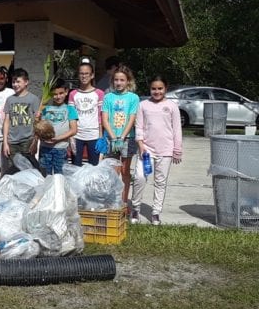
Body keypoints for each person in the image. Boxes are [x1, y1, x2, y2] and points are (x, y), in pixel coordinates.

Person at [132, 76, 183, 225]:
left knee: (160, 182)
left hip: (165, 150)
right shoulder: (143, 105)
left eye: (160, 88)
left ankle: (156, 212)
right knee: (140, 178)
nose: (157, 91)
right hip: (146, 150)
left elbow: (177, 130)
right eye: (154, 88)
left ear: (165, 88)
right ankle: (135, 208)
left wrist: (177, 150)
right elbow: (139, 126)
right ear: (150, 89)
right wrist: (141, 145)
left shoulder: (172, 106)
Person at [102, 65, 140, 208]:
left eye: (122, 80)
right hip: (111, 138)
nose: (119, 83)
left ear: (128, 81)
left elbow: (132, 118)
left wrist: (122, 137)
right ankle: (113, 202)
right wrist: (113, 137)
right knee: (113, 171)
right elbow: (105, 119)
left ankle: (124, 202)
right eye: (116, 80)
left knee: (125, 170)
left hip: (127, 138)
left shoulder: (133, 98)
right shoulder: (108, 97)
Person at [3, 68, 41, 172]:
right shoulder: (10, 99)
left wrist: (35, 141)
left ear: (26, 82)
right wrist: (5, 143)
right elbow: (7, 121)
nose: (15, 84)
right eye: (13, 81)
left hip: (28, 140)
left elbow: (38, 123)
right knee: (13, 169)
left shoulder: (33, 99)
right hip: (12, 141)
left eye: (18, 81)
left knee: (28, 168)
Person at [38, 80, 78, 175]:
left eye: (61, 93)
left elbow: (73, 130)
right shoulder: (45, 109)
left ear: (66, 92)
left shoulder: (70, 109)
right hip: (45, 148)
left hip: (61, 148)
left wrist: (57, 139)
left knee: (60, 175)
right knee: (44, 175)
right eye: (55, 94)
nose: (58, 96)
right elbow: (40, 127)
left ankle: (59, 190)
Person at [69, 61, 105, 166]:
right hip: (77, 135)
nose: (84, 76)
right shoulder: (73, 94)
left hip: (93, 135)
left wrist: (101, 136)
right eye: (81, 73)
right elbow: (71, 116)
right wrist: (71, 137)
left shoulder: (99, 93)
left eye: (86, 73)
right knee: (76, 167)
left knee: (93, 167)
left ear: (92, 75)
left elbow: (100, 116)